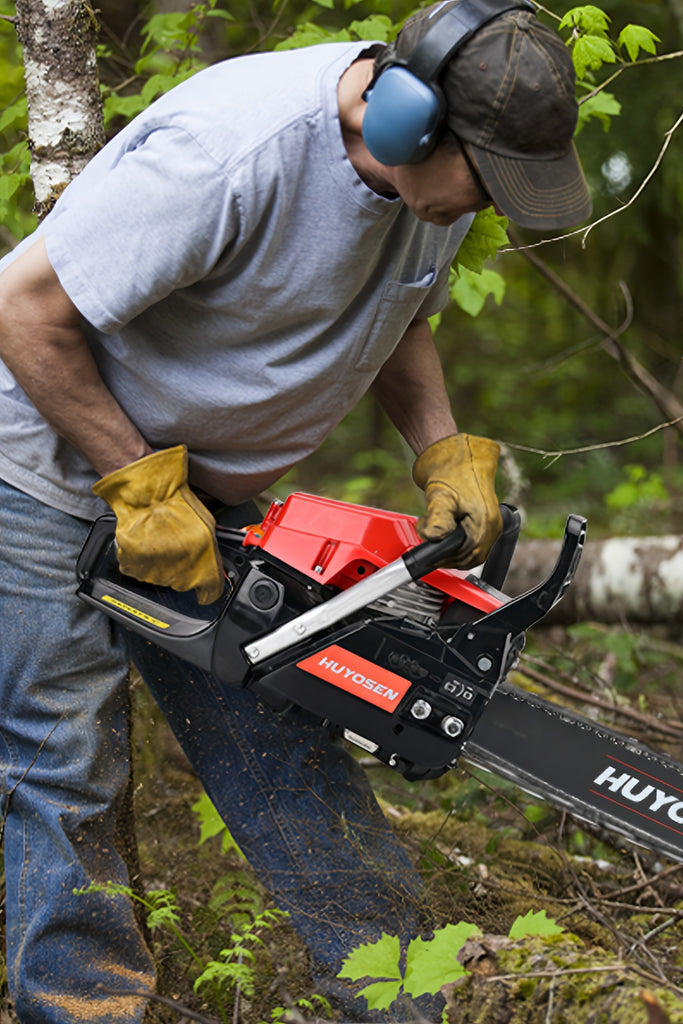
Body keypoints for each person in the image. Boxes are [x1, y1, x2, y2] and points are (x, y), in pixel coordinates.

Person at [0, 0, 591, 1018]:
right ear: (410, 120)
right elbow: (23, 308)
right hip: (39, 472)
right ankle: (79, 1009)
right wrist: (139, 482)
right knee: (63, 757)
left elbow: (396, 317)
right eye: (484, 179)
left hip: (207, 504)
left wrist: (441, 449)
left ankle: (407, 996)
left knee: (285, 723)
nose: (485, 206)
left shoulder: (424, 197)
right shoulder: (232, 153)